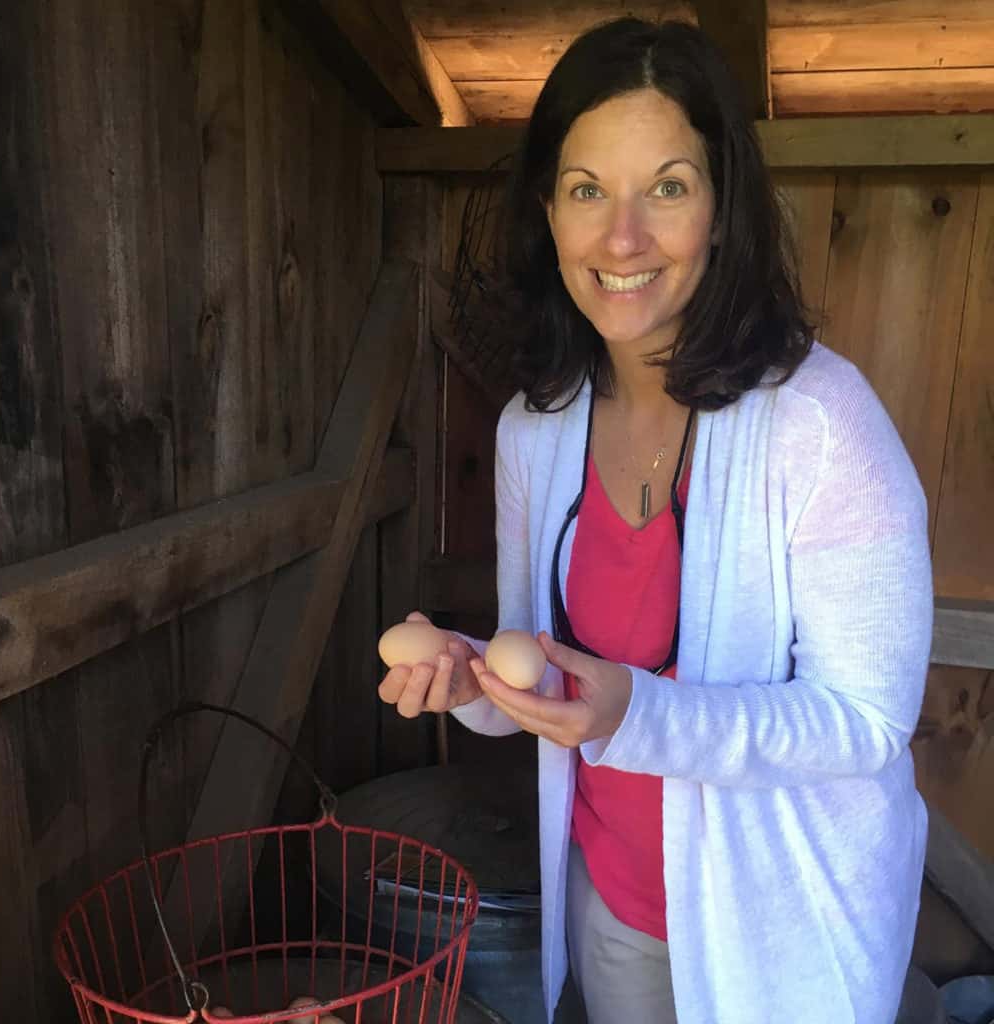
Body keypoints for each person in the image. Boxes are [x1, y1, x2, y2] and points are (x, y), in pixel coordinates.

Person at [378, 18, 932, 1024]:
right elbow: (535, 670)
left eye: (667, 187)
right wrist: (467, 678)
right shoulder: (533, 433)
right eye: (587, 189)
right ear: (548, 212)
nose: (620, 237)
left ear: (720, 210)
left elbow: (866, 720)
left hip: (788, 929)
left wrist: (642, 713)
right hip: (610, 908)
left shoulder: (819, 423)